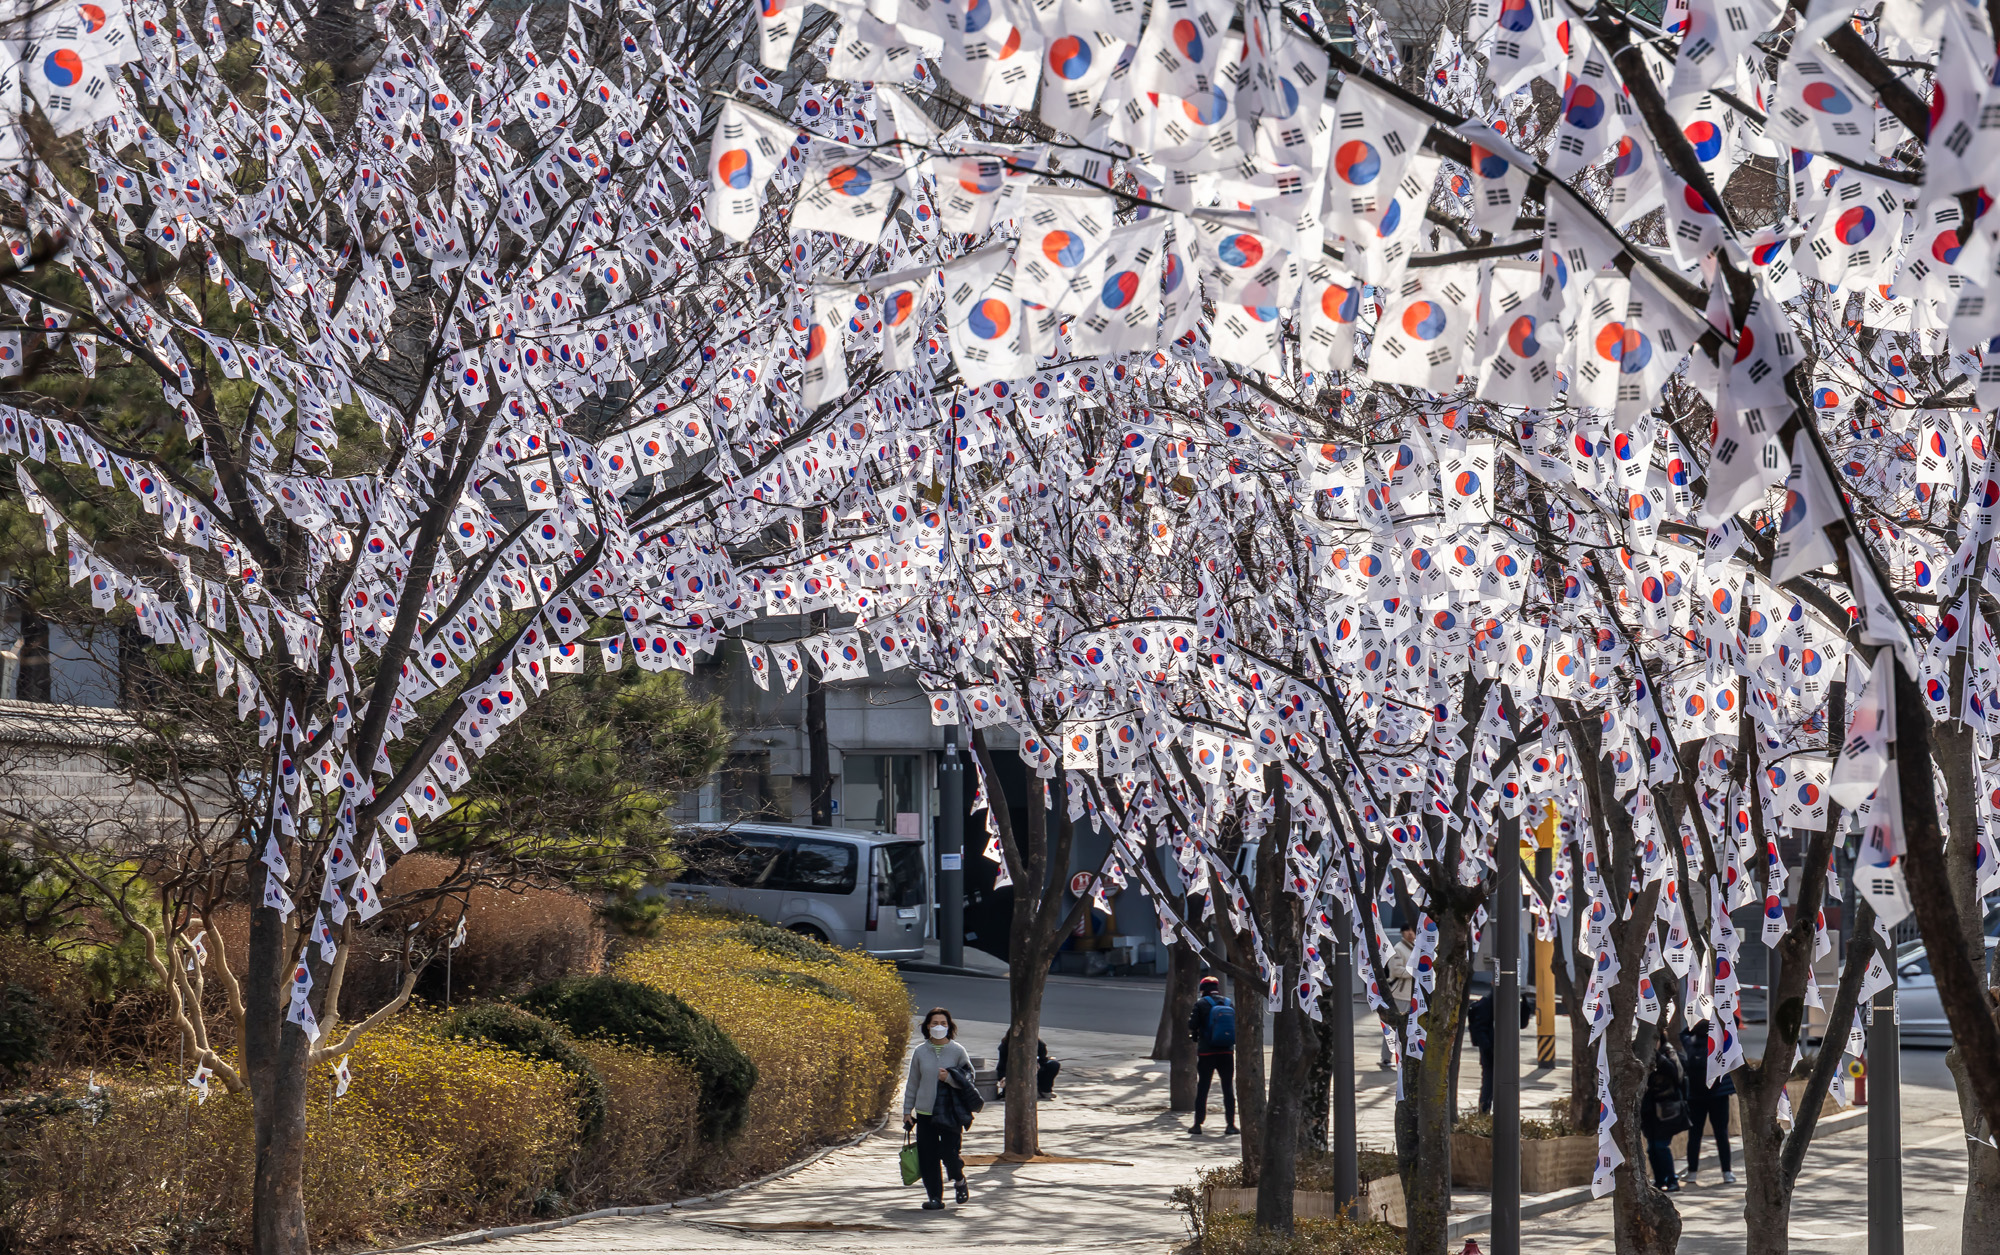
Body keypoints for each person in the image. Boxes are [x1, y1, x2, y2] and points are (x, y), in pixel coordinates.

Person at [903, 1007, 974, 1209]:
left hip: (950, 1113)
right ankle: (935, 1197)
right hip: (925, 1113)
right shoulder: (920, 1052)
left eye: (943, 1023)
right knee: (928, 1156)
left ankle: (959, 1179)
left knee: (949, 1152)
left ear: (949, 1026)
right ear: (927, 1026)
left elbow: (969, 1078)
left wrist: (949, 1078)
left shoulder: (957, 1051)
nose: (938, 1027)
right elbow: (913, 1083)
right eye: (934, 1023)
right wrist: (907, 1111)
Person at [1680, 1018, 1737, 1185]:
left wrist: (1692, 1028)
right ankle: (1727, 1173)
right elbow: (1734, 1022)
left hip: (1695, 1097)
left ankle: (1692, 1173)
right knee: (1721, 1134)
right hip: (1718, 1095)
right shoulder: (1719, 1045)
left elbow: (1682, 1033)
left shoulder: (1689, 1045)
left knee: (1695, 1135)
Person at [1640, 1030, 1691, 1193]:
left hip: (1667, 1110)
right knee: (1651, 1148)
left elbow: (1677, 1074)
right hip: (1649, 1112)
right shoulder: (1641, 1055)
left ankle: (1672, 1180)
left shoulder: (1669, 1054)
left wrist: (1657, 1057)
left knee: (1661, 1146)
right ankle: (1660, 1179)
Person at [1187, 975, 1238, 1136]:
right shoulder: (1229, 1003)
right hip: (1227, 1051)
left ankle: (1197, 1125)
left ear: (1202, 990)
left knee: (1203, 1088)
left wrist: (1196, 1033)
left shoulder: (1201, 1004)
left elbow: (1192, 1024)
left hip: (1207, 1052)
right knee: (1228, 1088)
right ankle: (1231, 1125)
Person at [1381, 926, 1416, 1069]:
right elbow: (1396, 970)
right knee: (1394, 1026)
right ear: (1402, 932)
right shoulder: (1399, 948)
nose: (1410, 933)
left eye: (1412, 930)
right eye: (1407, 930)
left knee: (1411, 1028)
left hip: (1412, 994)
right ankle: (1386, 1057)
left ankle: (1407, 1056)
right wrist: (1415, 971)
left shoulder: (1415, 948)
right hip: (1400, 994)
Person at [996, 1032, 1060, 1099]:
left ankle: (1045, 1090)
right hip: (1016, 1073)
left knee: (1053, 1064)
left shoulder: (1039, 1044)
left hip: (1035, 1071)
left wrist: (1038, 1064)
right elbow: (1001, 1067)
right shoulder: (1005, 1046)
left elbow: (1043, 1059)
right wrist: (1003, 1078)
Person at [1467, 991, 1496, 1115]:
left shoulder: (1508, 1000)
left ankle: (1486, 1109)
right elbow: (1479, 1028)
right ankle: (1484, 1109)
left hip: (1499, 1049)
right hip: (1490, 1050)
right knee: (1489, 1081)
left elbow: (1521, 1023)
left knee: (1492, 1081)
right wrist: (1488, 1047)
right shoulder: (1487, 1003)